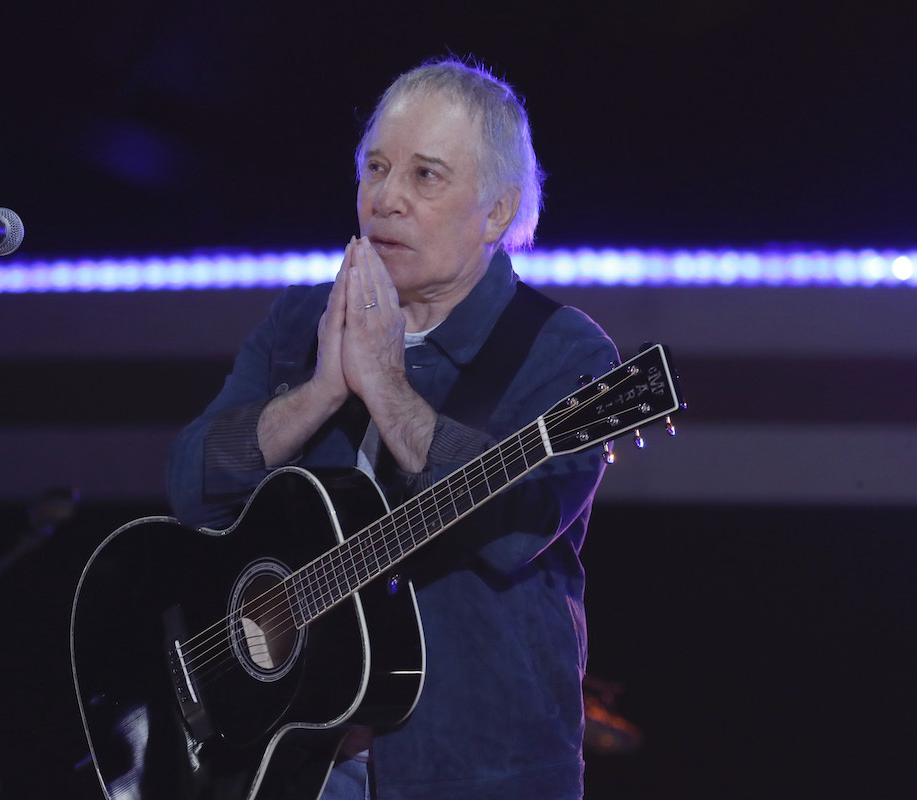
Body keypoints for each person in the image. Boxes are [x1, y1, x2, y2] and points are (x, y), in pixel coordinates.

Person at [168, 57, 618, 800]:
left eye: (425, 176)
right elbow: (192, 486)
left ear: (498, 213)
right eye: (374, 169)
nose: (385, 199)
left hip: (474, 770)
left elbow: (510, 529)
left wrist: (383, 386)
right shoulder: (298, 320)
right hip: (289, 761)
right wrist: (318, 393)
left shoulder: (563, 350)